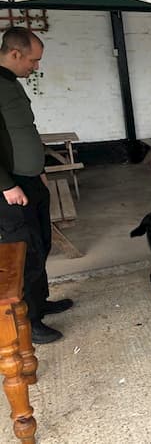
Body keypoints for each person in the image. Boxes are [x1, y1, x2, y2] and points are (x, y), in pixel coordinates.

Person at [0, 27, 73, 344]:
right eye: (33, 60)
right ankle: (29, 321)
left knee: (41, 244)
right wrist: (5, 185)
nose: (36, 67)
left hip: (30, 179)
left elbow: (23, 133)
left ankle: (39, 301)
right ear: (14, 53)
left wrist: (40, 170)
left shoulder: (9, 83)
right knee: (24, 253)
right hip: (11, 187)